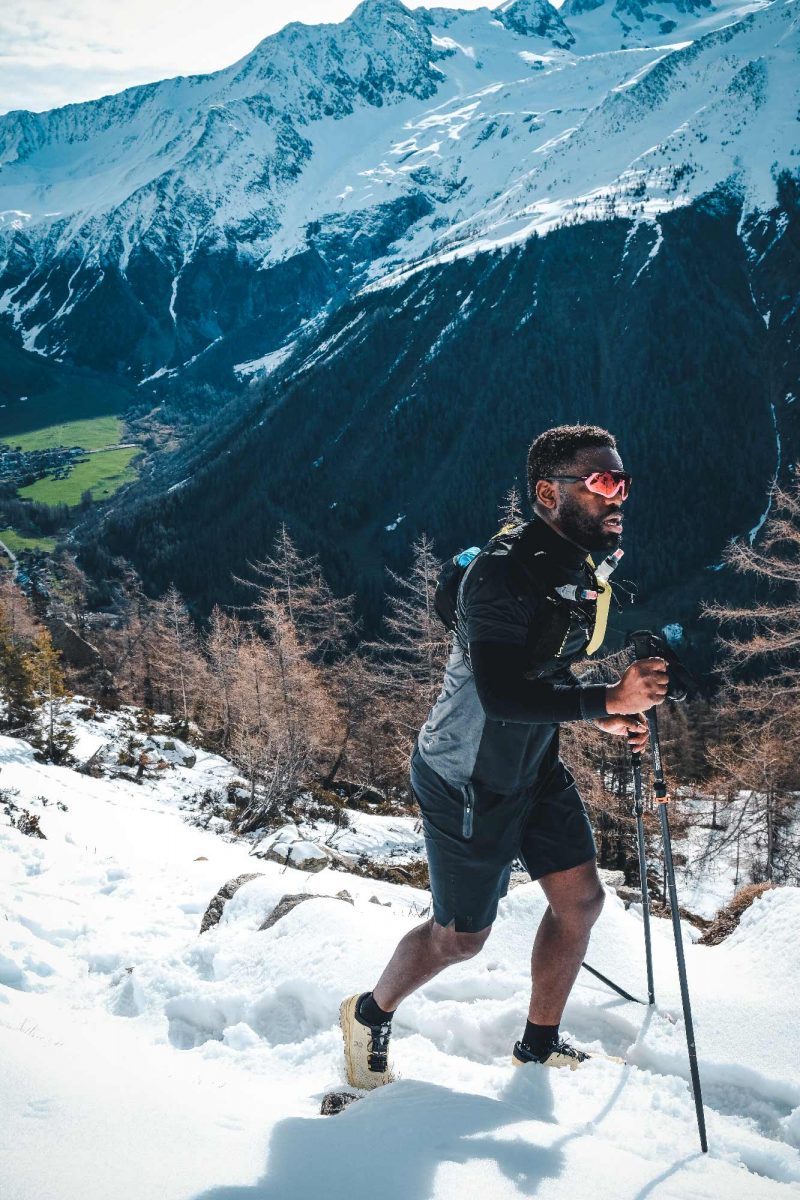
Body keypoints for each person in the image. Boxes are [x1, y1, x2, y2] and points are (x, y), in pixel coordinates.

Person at [340, 424, 669, 1088]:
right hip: (466, 779)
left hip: (532, 764)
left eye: (623, 482)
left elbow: (541, 670)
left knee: (579, 904)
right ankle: (369, 1014)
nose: (619, 496)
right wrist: (605, 700)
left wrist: (602, 714)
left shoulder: (578, 566)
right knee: (460, 939)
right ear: (550, 492)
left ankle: (538, 1045)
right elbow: (499, 693)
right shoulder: (500, 576)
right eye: (603, 482)